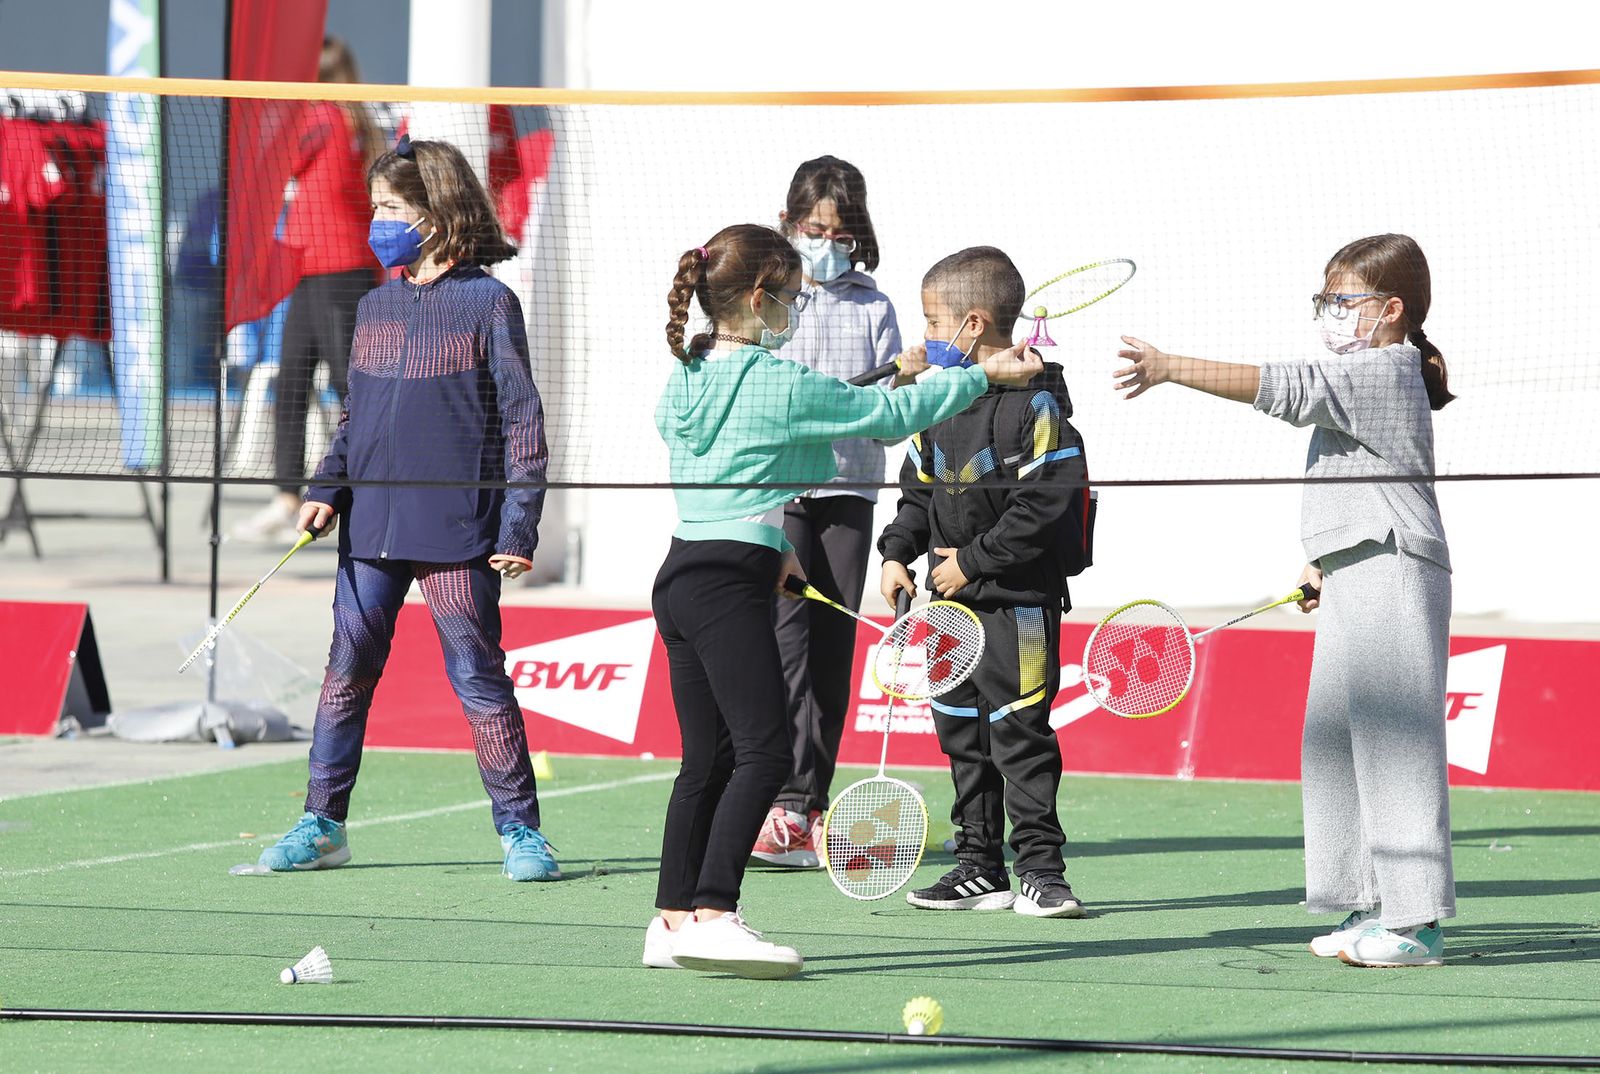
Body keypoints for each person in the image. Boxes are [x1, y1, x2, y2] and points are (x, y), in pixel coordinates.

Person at [647, 224, 1042, 978]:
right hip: (729, 583)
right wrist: (983, 375)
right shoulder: (776, 378)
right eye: (793, 299)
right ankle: (714, 915)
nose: (797, 311)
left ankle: (670, 920)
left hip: (685, 569)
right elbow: (888, 421)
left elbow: (733, 454)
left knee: (707, 761)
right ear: (760, 299)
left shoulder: (690, 371)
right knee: (765, 754)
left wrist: (776, 543)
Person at [1112, 233, 1455, 967]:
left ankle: (1416, 922)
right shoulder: (1366, 373)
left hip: (1395, 568)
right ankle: (1370, 902)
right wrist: (1325, 559)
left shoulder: (1385, 369)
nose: (1331, 312)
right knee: (1332, 742)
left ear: (1391, 310)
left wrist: (1172, 367)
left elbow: (1284, 388)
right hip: (1356, 565)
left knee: (1396, 747)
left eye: (1345, 300)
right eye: (1325, 300)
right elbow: (1361, 474)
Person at [256, 135, 559, 885]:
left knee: (478, 679)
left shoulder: (489, 302)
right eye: (377, 207)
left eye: (393, 208)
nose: (379, 220)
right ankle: (322, 823)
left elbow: (523, 421)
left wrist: (518, 526)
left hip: (457, 532)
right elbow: (356, 418)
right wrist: (326, 489)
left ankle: (522, 832)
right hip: (369, 532)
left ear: (437, 213)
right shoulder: (374, 305)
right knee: (346, 670)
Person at [879, 246, 1091, 920]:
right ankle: (978, 867)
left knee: (1019, 733)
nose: (924, 339)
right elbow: (917, 492)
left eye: (933, 324)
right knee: (961, 734)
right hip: (947, 610)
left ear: (972, 325)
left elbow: (1047, 503)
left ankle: (1042, 872)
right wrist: (894, 554)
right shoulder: (936, 402)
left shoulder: (1036, 404)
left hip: (1016, 604)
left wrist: (971, 562)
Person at [752, 156, 906, 869]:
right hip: (781, 492)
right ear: (790, 225)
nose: (826, 242)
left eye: (839, 232)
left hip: (849, 490)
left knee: (831, 652)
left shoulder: (875, 307)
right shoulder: (770, 297)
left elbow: (893, 424)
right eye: (814, 229)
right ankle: (778, 802)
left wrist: (890, 392)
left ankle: (811, 806)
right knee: (783, 647)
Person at [233, 37, 384, 541]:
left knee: (349, 387)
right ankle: (285, 496)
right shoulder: (352, 118)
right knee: (294, 384)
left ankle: (370, 489)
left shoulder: (326, 118)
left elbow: (280, 159)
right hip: (316, 271)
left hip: (338, 270)